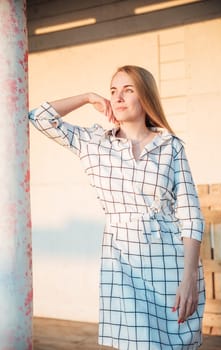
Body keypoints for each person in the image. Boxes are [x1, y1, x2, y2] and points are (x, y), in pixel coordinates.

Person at [29, 65, 205, 349]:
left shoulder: (170, 147)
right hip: (122, 262)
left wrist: (190, 279)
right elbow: (39, 117)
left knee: (176, 344)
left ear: (145, 96)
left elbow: (191, 215)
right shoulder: (94, 143)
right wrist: (87, 97)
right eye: (113, 91)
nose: (118, 97)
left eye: (128, 89)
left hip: (169, 264)